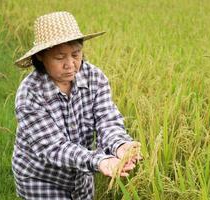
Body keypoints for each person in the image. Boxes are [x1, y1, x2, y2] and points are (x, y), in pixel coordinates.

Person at [12, 11, 141, 200]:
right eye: (59, 57)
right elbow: (54, 148)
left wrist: (120, 145)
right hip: (40, 178)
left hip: (81, 176)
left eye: (76, 54)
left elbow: (107, 120)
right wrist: (100, 161)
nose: (70, 64)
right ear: (40, 56)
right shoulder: (29, 95)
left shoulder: (94, 78)